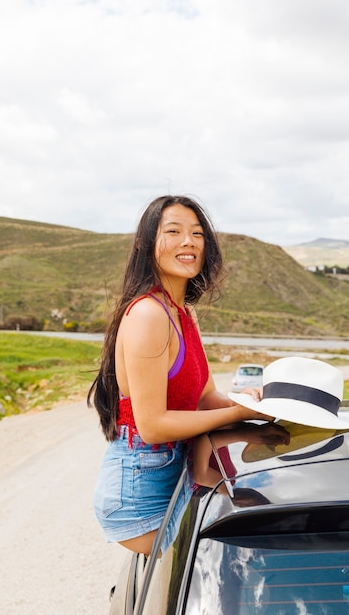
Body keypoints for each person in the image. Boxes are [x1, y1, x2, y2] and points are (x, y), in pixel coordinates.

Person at [88, 195, 272, 555]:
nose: (189, 242)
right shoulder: (148, 315)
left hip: (176, 469)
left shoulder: (184, 313)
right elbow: (152, 425)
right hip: (139, 498)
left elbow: (204, 400)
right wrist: (238, 415)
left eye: (197, 234)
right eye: (173, 231)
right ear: (145, 244)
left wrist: (253, 404)